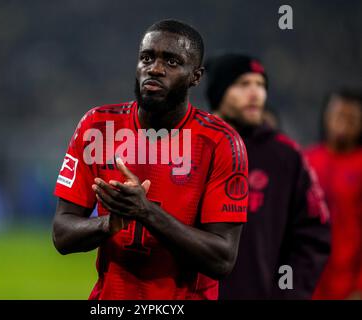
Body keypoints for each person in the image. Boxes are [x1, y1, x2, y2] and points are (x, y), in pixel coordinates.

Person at [51, 20, 249, 300]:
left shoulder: (221, 143)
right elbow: (62, 234)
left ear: (196, 76)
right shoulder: (97, 127)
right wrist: (109, 223)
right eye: (147, 57)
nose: (155, 68)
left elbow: (222, 259)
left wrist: (146, 212)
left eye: (171, 61)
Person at [203, 53, 331, 299]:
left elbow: (314, 234)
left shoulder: (285, 155)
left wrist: (288, 293)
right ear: (219, 93)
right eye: (243, 84)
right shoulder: (191, 147)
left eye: (260, 85)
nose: (255, 94)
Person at [306, 88, 362, 300]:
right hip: (311, 280)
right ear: (326, 116)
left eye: (352, 118)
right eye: (338, 115)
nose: (343, 122)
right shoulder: (307, 160)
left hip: (348, 283)